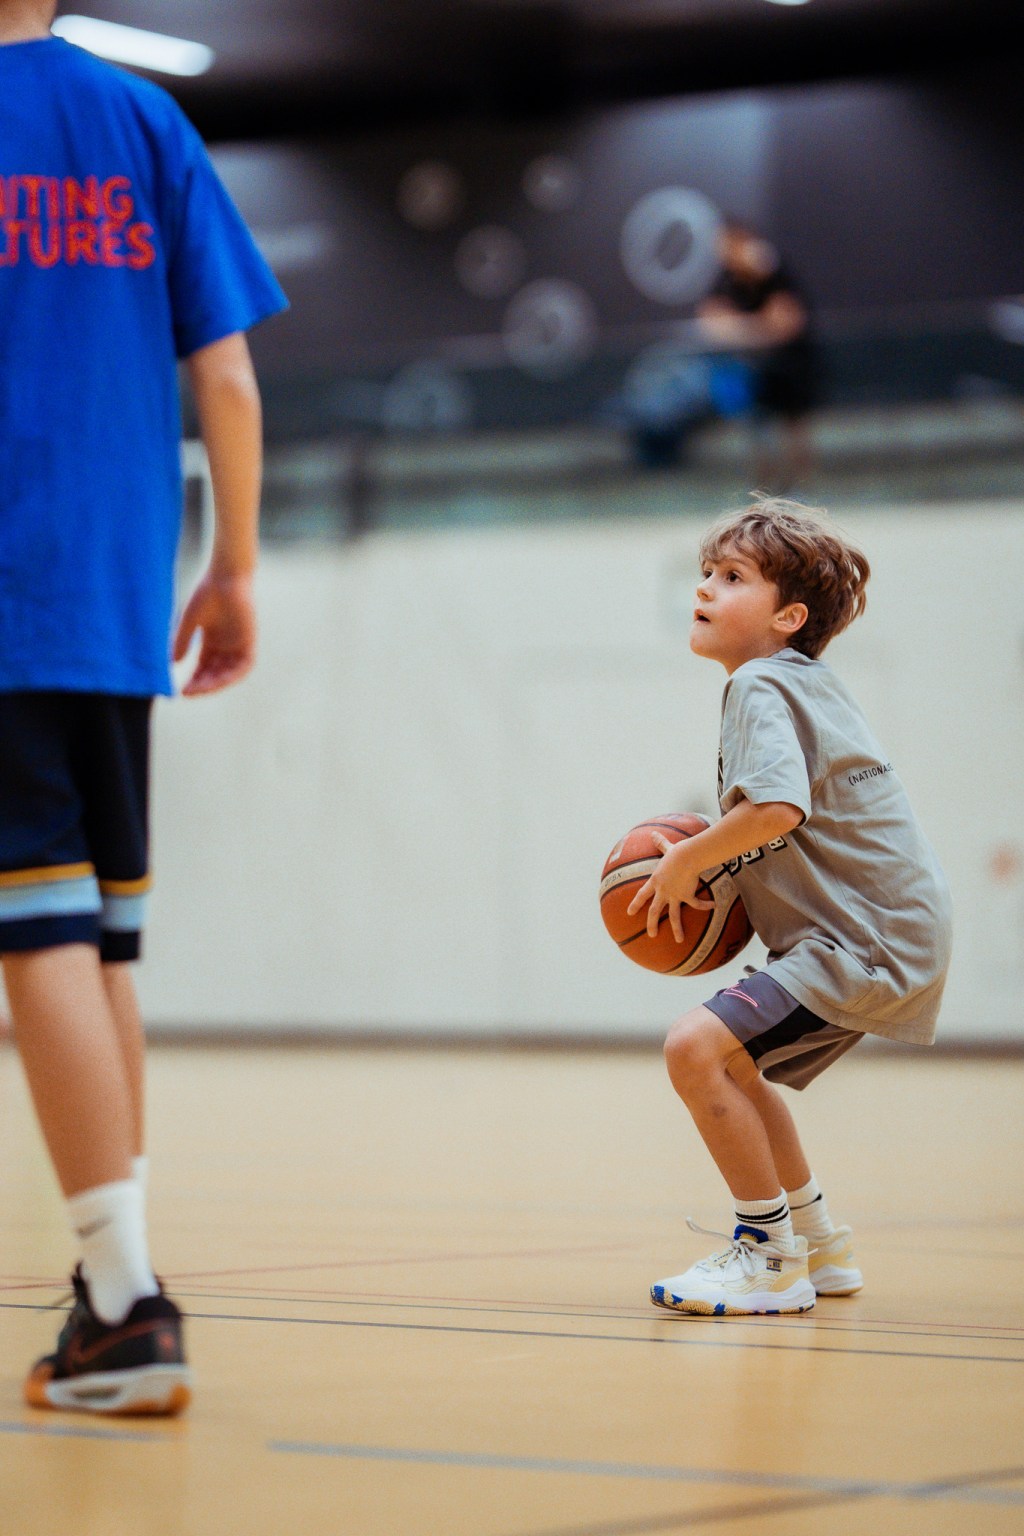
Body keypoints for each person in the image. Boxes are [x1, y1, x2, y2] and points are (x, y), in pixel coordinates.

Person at [0, 1, 287, 1412]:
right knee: (100, 943)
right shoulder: (142, 120)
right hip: (115, 600)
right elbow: (225, 373)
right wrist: (230, 565)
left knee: (32, 928)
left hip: (5, 596)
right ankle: (111, 1281)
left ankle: (120, 1302)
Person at [627, 496, 952, 1315]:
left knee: (692, 1049)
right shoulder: (805, 684)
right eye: (705, 573)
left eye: (732, 577)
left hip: (861, 941)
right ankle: (817, 1241)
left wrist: (683, 866)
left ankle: (767, 1255)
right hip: (889, 931)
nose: (704, 588)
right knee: (731, 1061)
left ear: (789, 616)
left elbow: (776, 812)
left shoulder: (762, 685)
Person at [697, 221, 818, 491]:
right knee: (755, 428)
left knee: (794, 426)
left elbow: (787, 323)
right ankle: (761, 494)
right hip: (753, 367)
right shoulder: (726, 279)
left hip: (791, 365)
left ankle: (801, 490)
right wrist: (756, 327)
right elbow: (711, 320)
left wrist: (744, 327)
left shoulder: (775, 275)